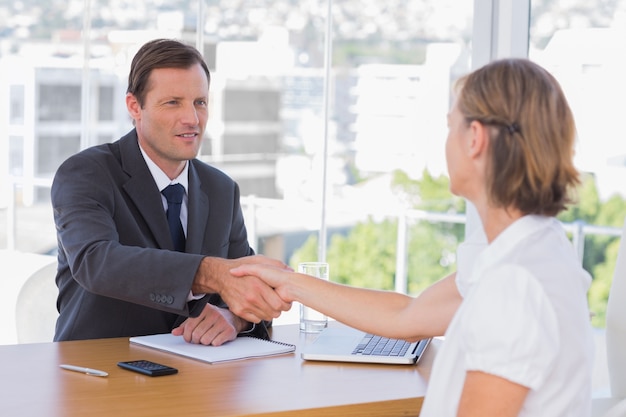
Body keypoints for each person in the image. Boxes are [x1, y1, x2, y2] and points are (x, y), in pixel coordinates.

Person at [232, 58, 594, 416]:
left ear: (475, 139)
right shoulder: (530, 249)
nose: (445, 143)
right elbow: (407, 317)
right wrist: (291, 283)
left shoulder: (512, 284)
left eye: (450, 126)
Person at [51, 38, 290, 346]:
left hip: (196, 375)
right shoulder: (86, 174)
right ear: (135, 106)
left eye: (199, 102)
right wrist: (211, 272)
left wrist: (234, 317)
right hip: (99, 371)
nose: (192, 119)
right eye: (173, 102)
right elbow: (96, 262)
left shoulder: (221, 190)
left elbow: (249, 291)